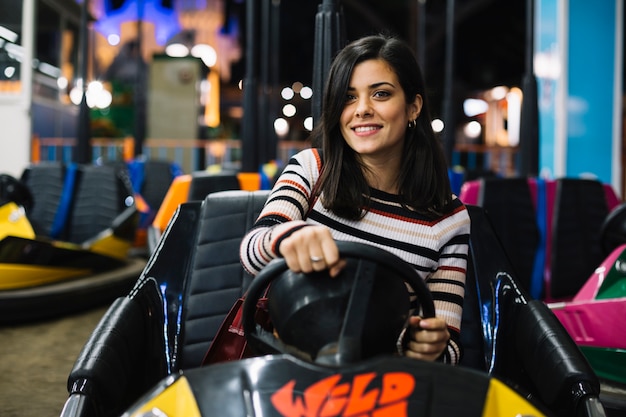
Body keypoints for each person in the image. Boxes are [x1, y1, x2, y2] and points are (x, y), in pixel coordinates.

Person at [240, 34, 470, 365]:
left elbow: (447, 350)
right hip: (289, 369)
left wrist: (426, 345)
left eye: (380, 94)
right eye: (348, 97)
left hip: (381, 388)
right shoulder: (312, 169)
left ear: (413, 107)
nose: (362, 110)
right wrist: (290, 238)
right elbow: (253, 251)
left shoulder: (449, 219)